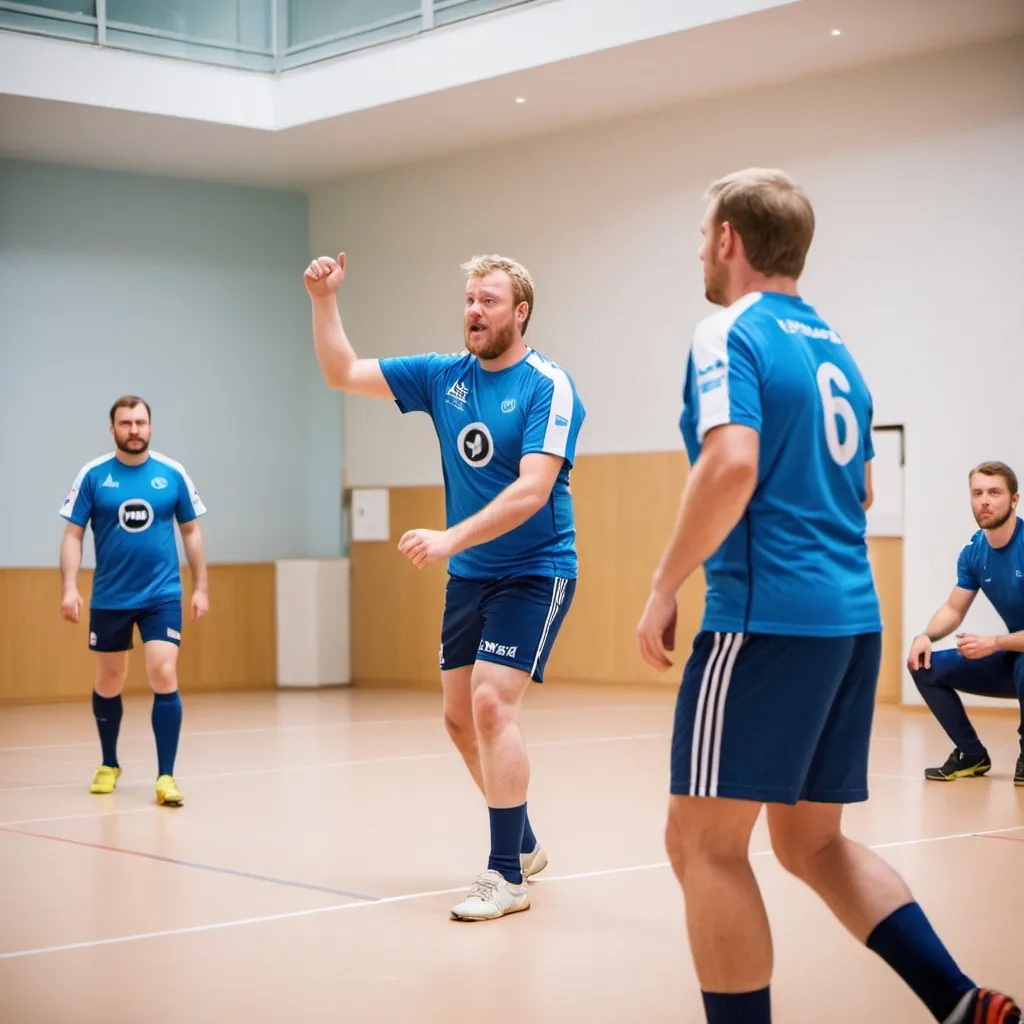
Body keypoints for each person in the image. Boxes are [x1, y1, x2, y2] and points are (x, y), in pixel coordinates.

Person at [635, 169, 1019, 1024]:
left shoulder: (726, 331)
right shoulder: (835, 346)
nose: (700, 248)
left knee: (703, 845)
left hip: (765, 623)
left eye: (704, 233)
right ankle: (960, 1002)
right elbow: (866, 489)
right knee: (812, 842)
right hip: (854, 621)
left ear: (730, 238)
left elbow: (731, 463)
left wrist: (666, 585)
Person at [304, 251, 585, 922]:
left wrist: (451, 537)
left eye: (488, 300)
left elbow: (534, 488)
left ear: (519, 312)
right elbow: (341, 371)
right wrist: (323, 300)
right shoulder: (442, 377)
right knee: (459, 719)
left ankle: (505, 875)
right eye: (468, 299)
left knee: (492, 706)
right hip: (470, 577)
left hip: (535, 569)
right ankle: (522, 842)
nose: (474, 311)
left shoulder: (550, 385)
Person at [59, 395, 209, 807]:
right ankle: (109, 763)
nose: (134, 430)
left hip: (161, 594)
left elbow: (191, 532)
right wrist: (70, 587)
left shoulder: (171, 473)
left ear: (151, 426)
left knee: (163, 671)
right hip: (110, 596)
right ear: (113, 429)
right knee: (110, 679)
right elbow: (73, 535)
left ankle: (166, 776)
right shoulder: (94, 475)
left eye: (141, 422)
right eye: (125, 423)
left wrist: (200, 587)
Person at [907, 461, 1024, 786]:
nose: (984, 500)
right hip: (1015, 656)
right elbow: (953, 609)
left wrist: (994, 643)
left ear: (1014, 500)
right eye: (977, 493)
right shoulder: (974, 551)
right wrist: (924, 635)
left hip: (1018, 655)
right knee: (923, 666)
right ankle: (971, 754)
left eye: (994, 492)